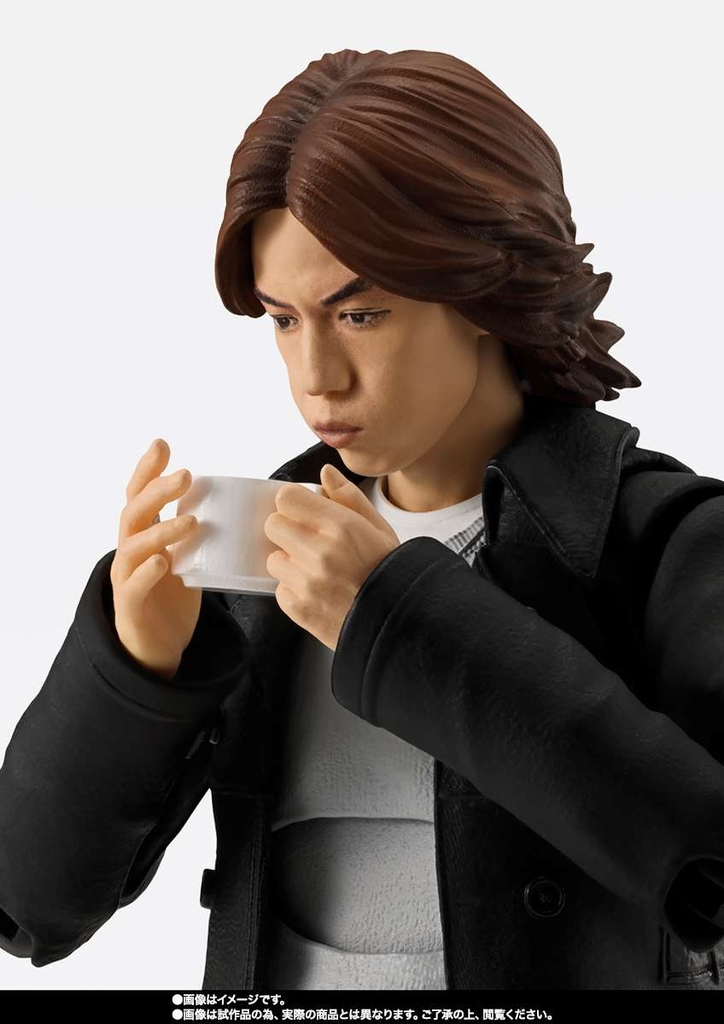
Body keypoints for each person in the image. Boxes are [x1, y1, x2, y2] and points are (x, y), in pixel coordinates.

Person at [2, 46, 724, 991]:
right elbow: (28, 909)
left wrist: (400, 623)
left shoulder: (666, 544)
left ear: (482, 288)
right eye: (283, 320)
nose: (316, 379)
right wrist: (134, 670)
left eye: (361, 315)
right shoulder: (261, 554)